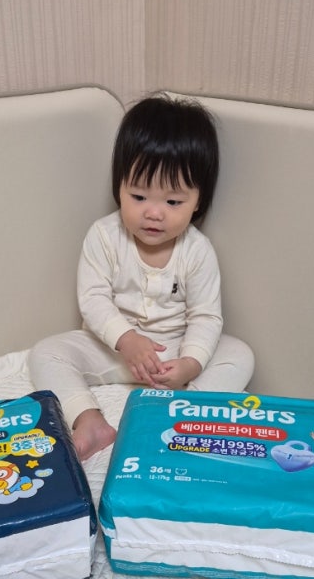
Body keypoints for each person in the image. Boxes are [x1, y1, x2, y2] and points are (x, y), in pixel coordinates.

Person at [28, 94, 254, 461]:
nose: (154, 213)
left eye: (173, 202)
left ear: (198, 201)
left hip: (173, 354)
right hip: (115, 351)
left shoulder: (197, 250)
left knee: (239, 355)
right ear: (119, 186)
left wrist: (190, 365)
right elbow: (93, 300)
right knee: (46, 353)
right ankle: (90, 421)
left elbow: (206, 316)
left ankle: (181, 415)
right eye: (138, 196)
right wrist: (127, 340)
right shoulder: (104, 236)